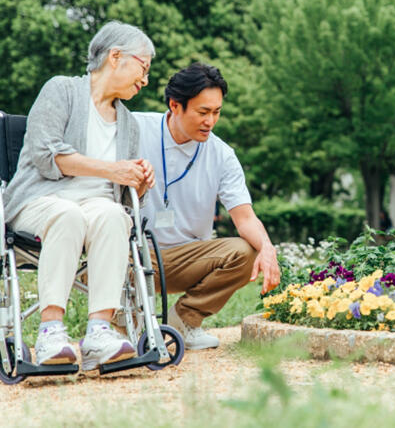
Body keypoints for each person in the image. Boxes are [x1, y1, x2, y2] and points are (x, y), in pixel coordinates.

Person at [3, 21, 156, 370]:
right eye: (143, 67)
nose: (145, 80)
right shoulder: (61, 90)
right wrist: (113, 169)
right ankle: (51, 332)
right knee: (68, 215)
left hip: (99, 207)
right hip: (40, 200)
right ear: (115, 57)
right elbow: (46, 156)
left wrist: (138, 183)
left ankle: (99, 333)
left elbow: (121, 195)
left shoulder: (128, 122)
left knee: (116, 216)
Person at [134, 63, 280, 350]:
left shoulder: (222, 155)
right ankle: (127, 325)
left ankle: (183, 321)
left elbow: (245, 218)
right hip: (134, 253)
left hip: (188, 259)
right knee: (110, 243)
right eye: (203, 112)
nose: (210, 121)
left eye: (216, 112)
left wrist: (268, 249)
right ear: (175, 106)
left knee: (247, 250)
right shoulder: (135, 129)